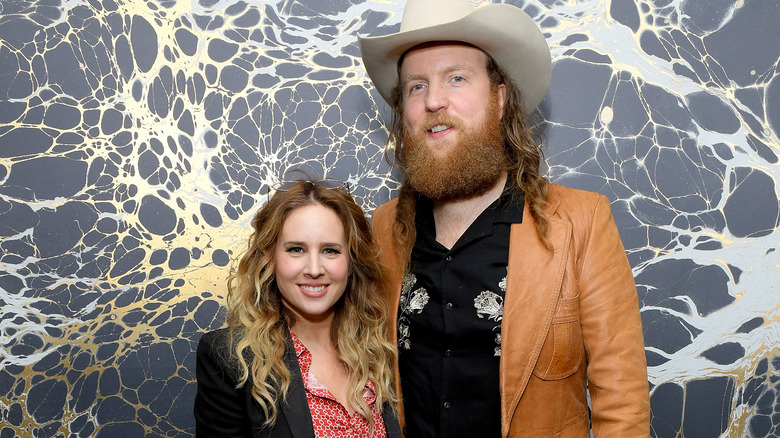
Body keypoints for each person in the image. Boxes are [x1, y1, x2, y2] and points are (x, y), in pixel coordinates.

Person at [358, 0, 651, 437]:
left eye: (456, 78)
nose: (434, 100)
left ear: (499, 98)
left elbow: (622, 403)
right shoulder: (379, 231)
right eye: (416, 87)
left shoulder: (582, 222)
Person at [194, 179, 401, 437]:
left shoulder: (381, 347)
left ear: (352, 260)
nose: (314, 269)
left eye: (330, 250)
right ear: (270, 258)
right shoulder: (231, 358)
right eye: (296, 249)